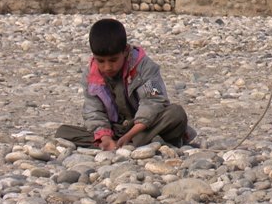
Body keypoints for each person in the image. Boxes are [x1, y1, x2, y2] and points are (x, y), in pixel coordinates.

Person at [56, 18, 196, 150]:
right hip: (115, 129)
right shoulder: (91, 75)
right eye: (101, 61)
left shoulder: (144, 67)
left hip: (143, 125)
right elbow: (93, 111)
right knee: (63, 132)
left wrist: (130, 134)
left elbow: (154, 101)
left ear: (125, 51)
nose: (107, 67)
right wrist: (104, 137)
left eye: (113, 60)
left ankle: (128, 142)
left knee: (176, 114)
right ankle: (122, 143)